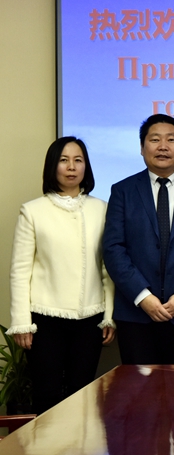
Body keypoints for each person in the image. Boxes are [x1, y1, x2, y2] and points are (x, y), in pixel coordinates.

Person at [7, 137, 115, 414]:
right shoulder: (32, 211)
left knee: (83, 396)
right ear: (52, 166)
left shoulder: (101, 209)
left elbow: (107, 268)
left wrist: (109, 316)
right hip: (45, 321)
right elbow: (20, 271)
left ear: (86, 166)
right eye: (64, 160)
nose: (71, 167)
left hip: (90, 320)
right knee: (46, 395)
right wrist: (21, 322)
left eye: (78, 160)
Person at [103, 114, 174, 364]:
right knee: (139, 387)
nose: (163, 146)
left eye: (171, 140)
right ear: (142, 147)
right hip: (136, 315)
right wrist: (143, 296)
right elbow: (113, 248)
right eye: (154, 140)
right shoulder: (122, 191)